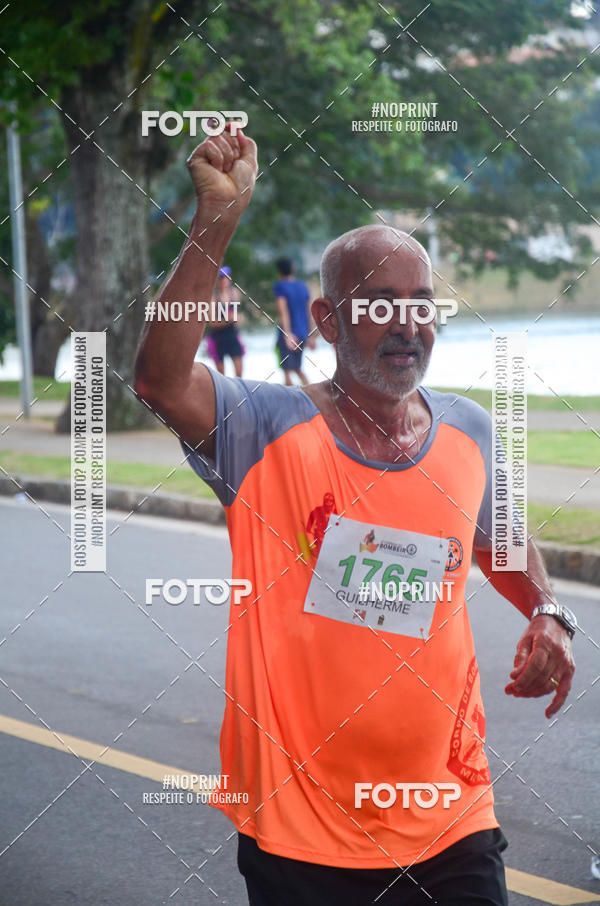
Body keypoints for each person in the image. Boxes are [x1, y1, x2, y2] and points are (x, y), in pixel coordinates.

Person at [134, 127, 576, 906]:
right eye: (381, 304)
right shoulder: (265, 428)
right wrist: (218, 218)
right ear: (330, 321)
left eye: (422, 304)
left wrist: (546, 609)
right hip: (303, 834)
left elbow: (498, 538)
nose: (409, 324)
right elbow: (161, 380)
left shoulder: (468, 428)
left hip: (451, 813)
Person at [273, 257, 315, 385]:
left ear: (279, 272)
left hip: (289, 334)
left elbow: (283, 311)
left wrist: (287, 334)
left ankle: (290, 402)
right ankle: (312, 395)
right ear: (292, 270)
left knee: (287, 370)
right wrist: (311, 335)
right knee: (297, 368)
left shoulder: (280, 287)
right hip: (302, 332)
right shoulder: (303, 287)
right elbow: (310, 311)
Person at [205, 265, 245, 377]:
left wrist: (238, 320)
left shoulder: (235, 293)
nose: (224, 280)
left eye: (226, 277)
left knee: (239, 375)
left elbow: (238, 316)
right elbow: (212, 323)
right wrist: (228, 319)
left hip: (232, 336)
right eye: (221, 278)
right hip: (218, 339)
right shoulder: (213, 297)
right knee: (221, 377)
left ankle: (239, 394)